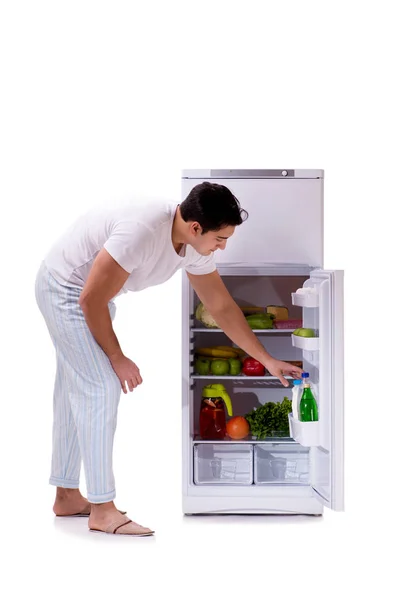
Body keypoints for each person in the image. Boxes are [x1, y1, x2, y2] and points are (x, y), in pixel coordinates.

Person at [35, 181, 302, 536]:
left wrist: (267, 359)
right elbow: (89, 299)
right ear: (196, 227)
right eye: (220, 239)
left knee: (77, 389)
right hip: (65, 289)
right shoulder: (142, 231)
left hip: (92, 297)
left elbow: (221, 307)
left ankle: (67, 495)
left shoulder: (194, 246)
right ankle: (102, 508)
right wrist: (117, 358)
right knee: (101, 388)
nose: (221, 248)